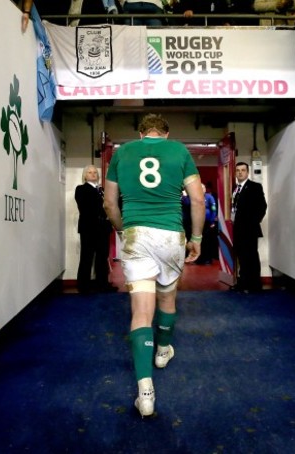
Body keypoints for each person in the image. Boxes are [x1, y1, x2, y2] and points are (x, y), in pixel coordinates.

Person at [103, 114, 205, 417]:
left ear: (141, 132)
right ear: (166, 132)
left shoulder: (122, 153)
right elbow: (198, 200)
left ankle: (145, 391)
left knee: (141, 311)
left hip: (137, 235)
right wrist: (196, 237)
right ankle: (162, 351)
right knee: (167, 297)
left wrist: (123, 229)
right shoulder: (179, 151)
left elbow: (109, 203)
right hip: (170, 235)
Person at [75, 165, 117, 294]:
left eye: (95, 172)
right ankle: (83, 286)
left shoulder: (102, 190)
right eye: (89, 172)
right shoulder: (81, 189)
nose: (93, 174)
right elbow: (86, 207)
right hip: (89, 229)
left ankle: (102, 284)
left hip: (103, 229)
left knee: (102, 257)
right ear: (85, 175)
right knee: (86, 257)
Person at [231, 161, 267, 293]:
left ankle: (254, 285)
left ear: (247, 172)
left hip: (249, 230)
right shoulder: (235, 188)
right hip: (237, 229)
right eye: (238, 170)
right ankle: (243, 282)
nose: (240, 172)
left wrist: (252, 223)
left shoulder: (254, 187)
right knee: (241, 257)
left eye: (243, 170)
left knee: (251, 256)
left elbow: (262, 207)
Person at [195, 184, 217, 264]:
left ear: (205, 189)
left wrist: (212, 221)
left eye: (203, 188)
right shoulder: (196, 197)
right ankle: (200, 259)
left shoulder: (209, 197)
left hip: (208, 223)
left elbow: (213, 209)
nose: (201, 189)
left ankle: (208, 259)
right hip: (198, 224)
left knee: (207, 242)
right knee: (200, 241)